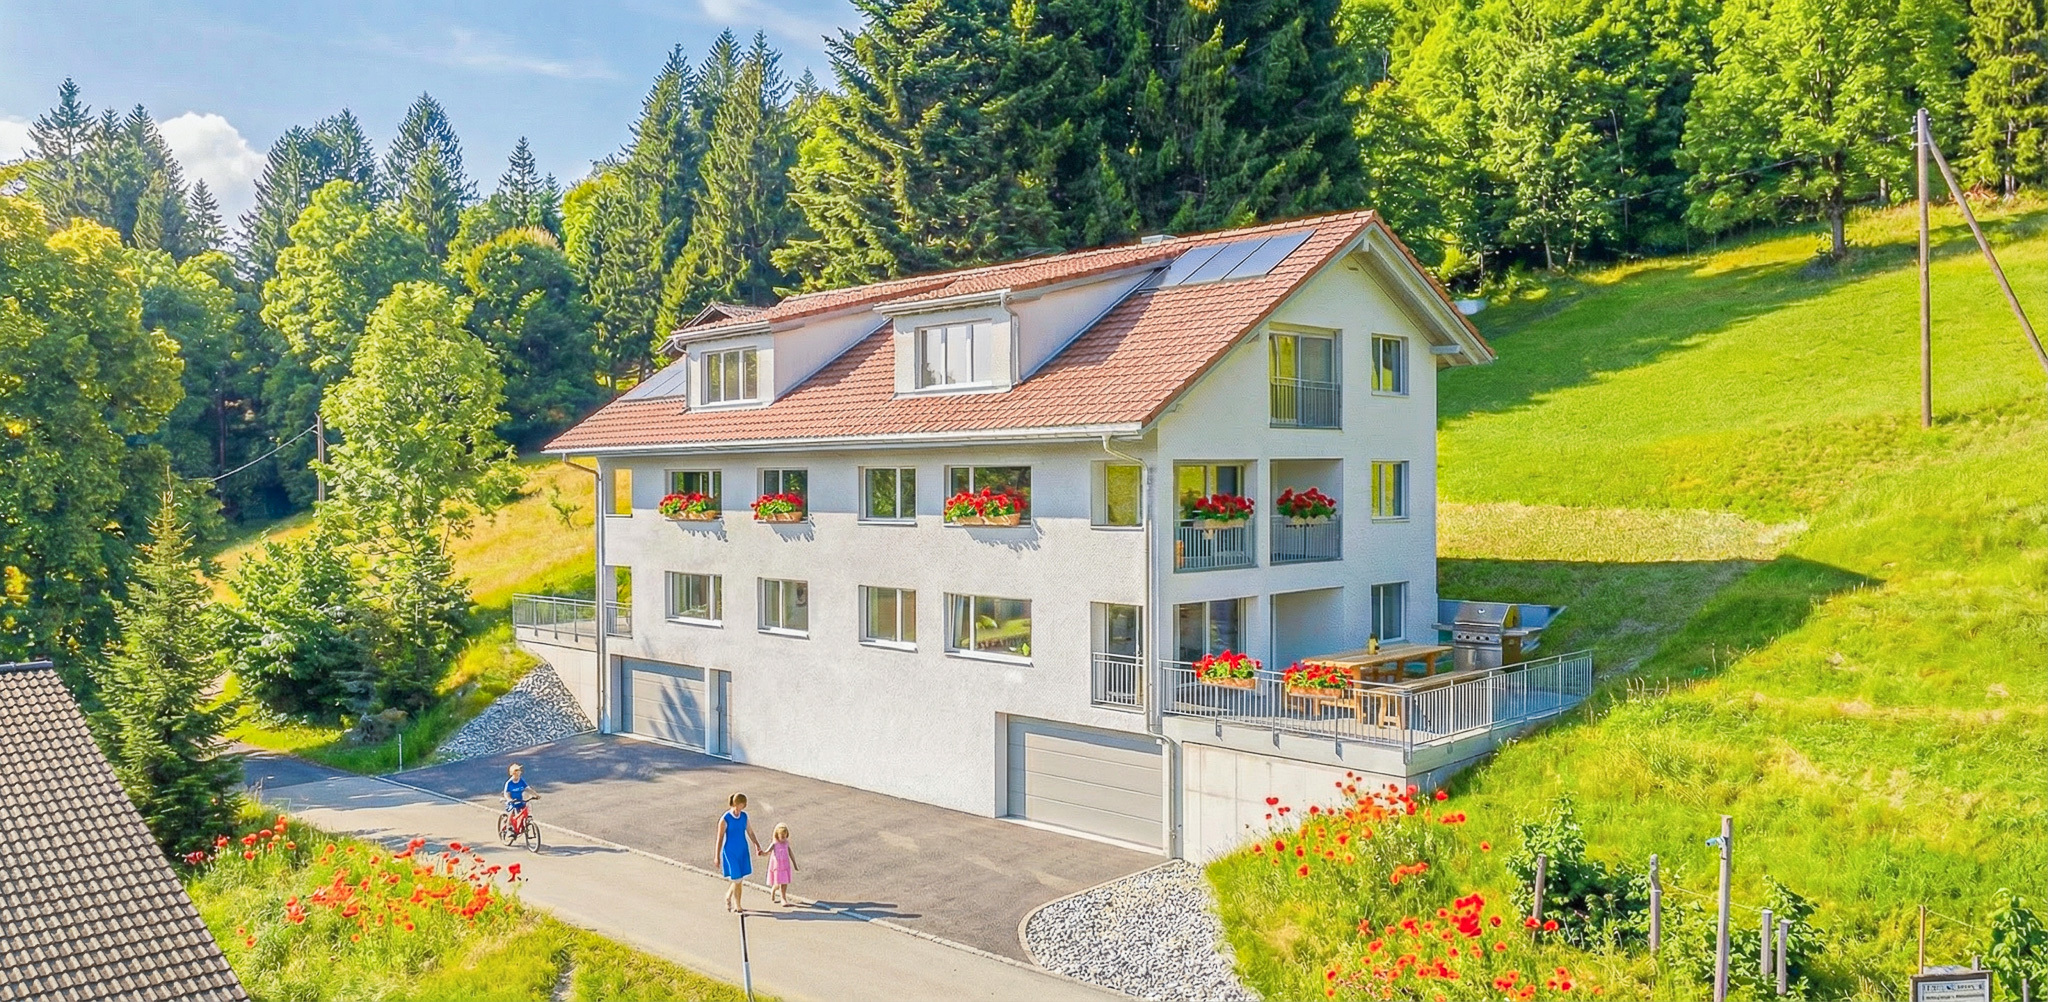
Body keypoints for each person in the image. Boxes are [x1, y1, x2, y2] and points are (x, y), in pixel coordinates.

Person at [716, 793, 766, 912]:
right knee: (737, 878)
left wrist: (756, 845)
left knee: (739, 879)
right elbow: (720, 838)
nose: (744, 806)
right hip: (730, 851)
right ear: (737, 804)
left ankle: (729, 896)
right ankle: (737, 905)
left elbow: (750, 832)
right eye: (742, 804)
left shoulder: (744, 816)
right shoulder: (725, 819)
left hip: (742, 849)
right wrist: (716, 856)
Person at [766, 823, 799, 906]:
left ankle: (783, 898)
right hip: (778, 867)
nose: (784, 838)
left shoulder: (786, 843)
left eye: (785, 836)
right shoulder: (775, 844)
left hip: (785, 866)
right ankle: (774, 890)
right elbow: (767, 852)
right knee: (778, 883)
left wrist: (794, 863)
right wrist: (762, 853)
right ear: (777, 835)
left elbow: (790, 853)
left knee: (784, 883)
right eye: (782, 836)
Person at [503, 764, 537, 830]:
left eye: (519, 771)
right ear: (513, 773)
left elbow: (527, 789)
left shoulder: (521, 781)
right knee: (512, 811)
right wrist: (509, 799)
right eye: (517, 771)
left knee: (528, 804)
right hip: (512, 802)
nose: (519, 772)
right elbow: (506, 793)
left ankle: (529, 817)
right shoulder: (509, 783)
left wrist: (535, 795)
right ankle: (508, 826)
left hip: (520, 801)